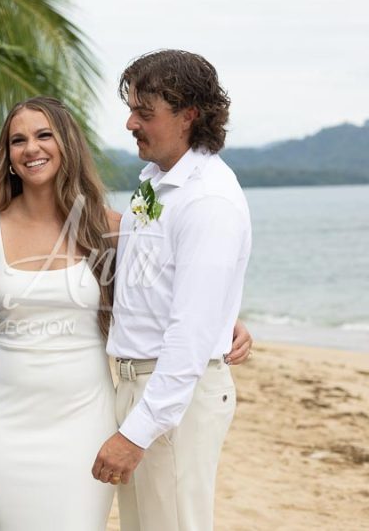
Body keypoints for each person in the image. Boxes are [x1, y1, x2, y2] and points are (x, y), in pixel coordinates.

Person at [0, 96, 253, 530]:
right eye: (17, 140)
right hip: (5, 420)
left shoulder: (110, 226)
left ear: (67, 144)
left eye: (43, 135)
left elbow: (161, 290)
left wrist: (225, 320)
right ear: (8, 156)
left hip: (86, 416)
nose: (31, 148)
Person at [92, 49, 252, 531]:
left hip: (171, 397)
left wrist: (135, 435)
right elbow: (157, 274)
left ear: (189, 116)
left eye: (145, 113)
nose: (129, 123)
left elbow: (188, 336)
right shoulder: (160, 183)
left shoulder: (208, 200)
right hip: (140, 384)